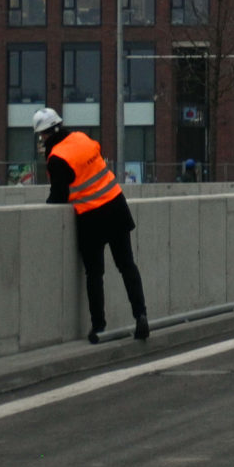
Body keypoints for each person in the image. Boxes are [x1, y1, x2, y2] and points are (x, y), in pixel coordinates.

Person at [34, 109, 148, 346]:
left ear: (45, 135)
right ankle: (141, 315)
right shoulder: (82, 138)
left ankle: (99, 325)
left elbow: (58, 196)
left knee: (95, 274)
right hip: (117, 206)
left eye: (41, 137)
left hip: (91, 217)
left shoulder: (57, 157)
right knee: (127, 265)